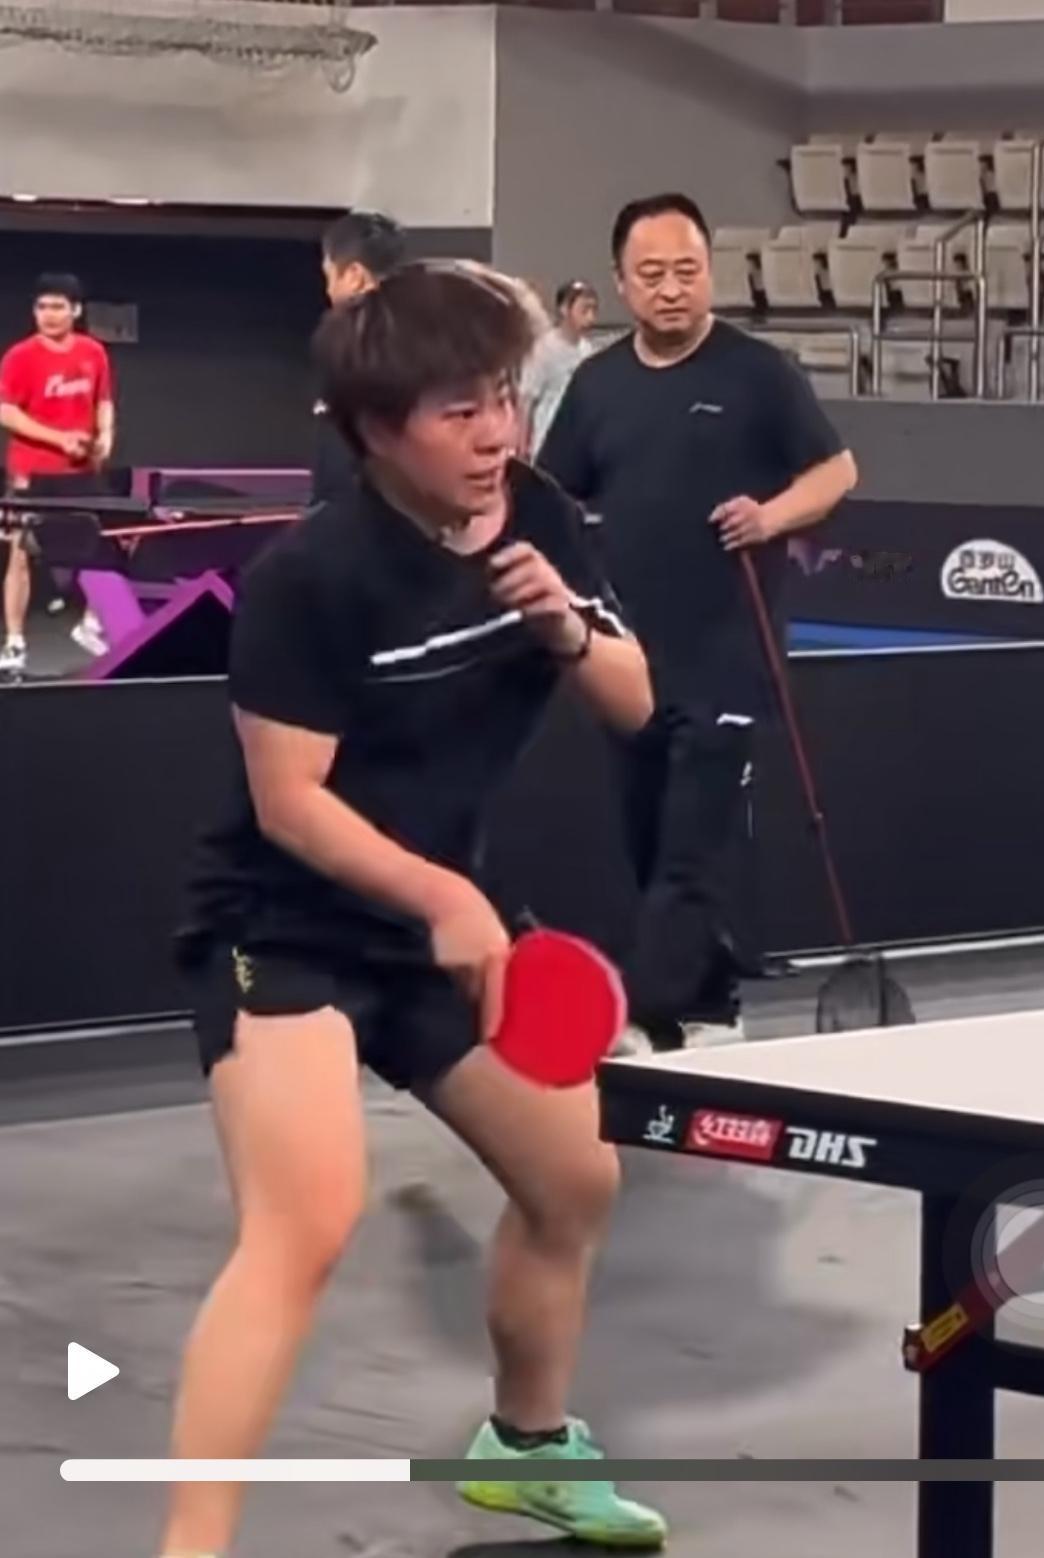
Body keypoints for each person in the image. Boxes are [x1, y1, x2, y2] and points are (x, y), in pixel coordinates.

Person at [163, 263, 667, 1558]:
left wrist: (563, 627)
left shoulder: (539, 515)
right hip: (284, 929)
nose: (497, 431)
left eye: (503, 396)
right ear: (375, 430)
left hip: (436, 935)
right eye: (460, 411)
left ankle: (526, 1450)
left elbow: (633, 703)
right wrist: (446, 895)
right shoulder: (312, 578)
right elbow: (289, 802)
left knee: (572, 1177)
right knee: (306, 1222)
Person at [540, 193, 858, 1051]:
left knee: (690, 841)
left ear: (710, 272)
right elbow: (555, 491)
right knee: (645, 835)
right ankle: (708, 1004)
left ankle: (654, 1013)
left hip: (727, 650)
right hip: (626, 658)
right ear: (619, 284)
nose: (671, 288)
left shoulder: (758, 373)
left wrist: (769, 515)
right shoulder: (597, 385)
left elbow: (836, 471)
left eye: (687, 270)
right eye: (651, 274)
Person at [0, 273, 114, 673]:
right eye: (42, 307)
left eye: (58, 307)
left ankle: (92, 623)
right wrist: (58, 439)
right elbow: (6, 411)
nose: (48, 315)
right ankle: (15, 643)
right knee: (21, 552)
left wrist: (106, 435)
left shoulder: (93, 352)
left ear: (75, 311)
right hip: (32, 470)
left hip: (81, 469)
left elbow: (103, 400)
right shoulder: (20, 356)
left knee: (104, 545)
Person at [312, 210, 405, 503]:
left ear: (354, 276)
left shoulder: (351, 345)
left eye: (329, 276)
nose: (329, 290)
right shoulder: (427, 342)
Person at [519, 280, 599, 459]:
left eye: (593, 310)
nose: (590, 317)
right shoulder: (543, 349)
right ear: (564, 309)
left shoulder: (588, 350)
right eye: (584, 310)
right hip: (545, 442)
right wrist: (522, 444)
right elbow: (526, 400)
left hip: (577, 443)